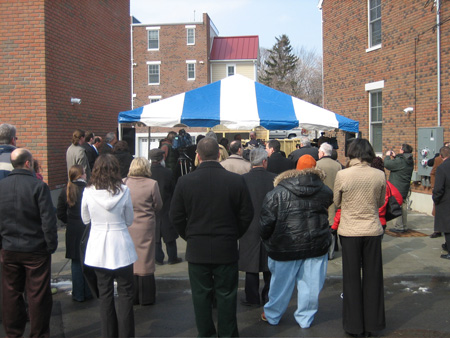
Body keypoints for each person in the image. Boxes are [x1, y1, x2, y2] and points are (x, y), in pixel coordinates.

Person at [169, 137, 253, 337]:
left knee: (201, 296)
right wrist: (233, 234)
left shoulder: (185, 181)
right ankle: (227, 334)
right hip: (226, 246)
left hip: (198, 247)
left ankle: (206, 334)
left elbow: (176, 216)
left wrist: (189, 235)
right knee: (226, 295)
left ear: (197, 156)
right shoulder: (235, 180)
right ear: (218, 154)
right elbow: (247, 214)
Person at [260, 154, 332, 328]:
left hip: (284, 246)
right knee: (311, 287)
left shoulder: (277, 192)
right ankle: (305, 319)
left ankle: (272, 315)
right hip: (316, 245)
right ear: (316, 170)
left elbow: (266, 222)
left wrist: (267, 240)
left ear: (295, 169)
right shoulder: (325, 191)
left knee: (279, 285)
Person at [0, 148, 58, 337]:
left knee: (10, 294)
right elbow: (48, 221)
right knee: (38, 295)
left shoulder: (2, 186)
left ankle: (13, 333)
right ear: (27, 163)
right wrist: (50, 245)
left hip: (9, 248)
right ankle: (38, 334)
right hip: (35, 250)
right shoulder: (38, 186)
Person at [333, 138, 386, 337]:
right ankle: (372, 324)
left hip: (349, 231)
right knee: (373, 278)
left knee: (351, 278)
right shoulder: (379, 175)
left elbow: (336, 201)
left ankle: (353, 326)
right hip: (372, 229)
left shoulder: (343, 174)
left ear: (352, 153)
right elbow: (380, 201)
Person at [81, 154, 137, 337]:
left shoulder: (88, 191)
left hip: (98, 247)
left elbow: (85, 219)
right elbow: (129, 220)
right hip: (121, 246)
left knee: (105, 296)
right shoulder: (124, 190)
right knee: (126, 295)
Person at [239, 147, 276, 307]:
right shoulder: (275, 179)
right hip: (271, 225)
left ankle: (251, 297)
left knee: (251, 264)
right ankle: (268, 296)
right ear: (264, 161)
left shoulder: (242, 179)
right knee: (269, 265)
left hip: (248, 225)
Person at [124, 157, 162, 305]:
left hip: (128, 225)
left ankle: (132, 296)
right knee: (146, 260)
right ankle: (147, 297)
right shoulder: (152, 184)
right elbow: (158, 204)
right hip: (146, 225)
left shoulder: (123, 183)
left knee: (130, 259)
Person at [57, 165, 93, 302]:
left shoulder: (65, 190)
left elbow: (60, 212)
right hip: (86, 227)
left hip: (72, 229)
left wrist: (69, 221)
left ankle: (78, 294)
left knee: (76, 261)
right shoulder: (88, 190)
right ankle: (88, 291)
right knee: (88, 261)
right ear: (82, 175)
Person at [148, 149, 182, 265]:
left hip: (152, 207)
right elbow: (173, 189)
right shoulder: (168, 172)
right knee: (169, 235)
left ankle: (158, 258)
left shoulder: (147, 173)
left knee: (155, 235)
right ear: (161, 159)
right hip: (167, 205)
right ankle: (172, 257)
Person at [315, 142, 342, 259]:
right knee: (333, 224)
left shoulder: (317, 164)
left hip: (321, 199)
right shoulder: (338, 165)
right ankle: (333, 248)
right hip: (335, 199)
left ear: (322, 152)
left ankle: (325, 250)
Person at [384, 143, 414, 233]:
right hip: (404, 187)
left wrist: (387, 156)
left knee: (395, 206)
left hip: (396, 187)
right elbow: (400, 161)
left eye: (400, 149)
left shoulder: (401, 161)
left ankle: (398, 226)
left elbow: (387, 164)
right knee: (403, 205)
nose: (399, 150)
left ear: (403, 151)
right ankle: (404, 225)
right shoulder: (409, 160)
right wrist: (396, 156)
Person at [432, 146, 450, 259]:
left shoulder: (442, 168)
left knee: (447, 228)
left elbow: (438, 188)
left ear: (441, 156)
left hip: (445, 201)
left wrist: (436, 199)